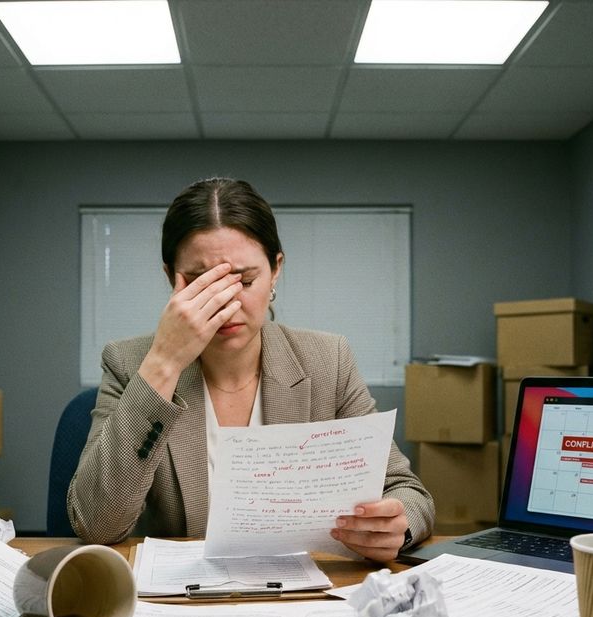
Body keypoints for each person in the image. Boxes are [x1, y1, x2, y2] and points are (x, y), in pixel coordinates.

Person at [67, 177, 434, 562]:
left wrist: (397, 525)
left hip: (301, 594)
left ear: (275, 270)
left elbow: (408, 492)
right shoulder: (129, 364)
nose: (227, 302)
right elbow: (96, 524)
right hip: (183, 603)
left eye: (244, 280)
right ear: (170, 279)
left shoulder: (329, 359)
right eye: (200, 282)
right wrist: (164, 362)